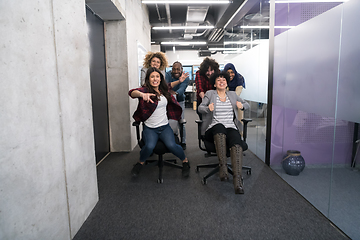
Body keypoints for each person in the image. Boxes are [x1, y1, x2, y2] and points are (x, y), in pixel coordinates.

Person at [129, 67, 190, 178]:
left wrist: (180, 81)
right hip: (150, 128)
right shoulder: (145, 90)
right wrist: (142, 95)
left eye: (157, 76)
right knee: (149, 146)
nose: (155, 79)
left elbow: (171, 84)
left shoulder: (163, 89)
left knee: (172, 145)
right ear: (148, 79)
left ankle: (185, 161)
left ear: (161, 79)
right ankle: (139, 163)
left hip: (164, 127)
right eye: (152, 77)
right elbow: (132, 93)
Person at [198, 71, 249, 194]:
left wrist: (241, 105)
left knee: (236, 140)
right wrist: (207, 108)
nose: (222, 82)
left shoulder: (232, 94)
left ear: (227, 83)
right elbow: (200, 108)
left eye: (224, 80)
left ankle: (237, 181)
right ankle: (223, 167)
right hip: (213, 128)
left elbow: (246, 104)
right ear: (214, 84)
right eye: (219, 80)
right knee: (219, 126)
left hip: (230, 126)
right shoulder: (210, 94)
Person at [165, 61, 190, 150]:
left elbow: (181, 90)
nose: (175, 71)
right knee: (168, 120)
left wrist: (173, 93)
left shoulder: (185, 77)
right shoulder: (167, 74)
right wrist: (170, 92)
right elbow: (166, 86)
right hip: (168, 101)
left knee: (181, 121)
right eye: (174, 69)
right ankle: (170, 140)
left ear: (181, 70)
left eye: (178, 69)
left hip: (180, 101)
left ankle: (183, 141)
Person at [223, 63, 246, 130]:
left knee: (238, 120)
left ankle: (239, 135)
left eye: (232, 72)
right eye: (228, 72)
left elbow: (237, 93)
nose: (230, 75)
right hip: (225, 102)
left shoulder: (239, 78)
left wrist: (231, 99)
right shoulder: (223, 79)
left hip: (237, 102)